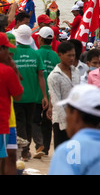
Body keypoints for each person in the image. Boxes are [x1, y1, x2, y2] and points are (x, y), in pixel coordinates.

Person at [12, 24, 48, 161]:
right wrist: (44, 95)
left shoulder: (13, 53)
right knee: (28, 123)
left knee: (20, 123)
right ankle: (26, 150)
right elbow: (41, 76)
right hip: (33, 96)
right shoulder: (36, 54)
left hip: (17, 96)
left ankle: (24, 151)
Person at [47, 41, 81, 149]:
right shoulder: (54, 76)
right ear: (60, 55)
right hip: (60, 122)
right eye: (69, 55)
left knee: (74, 156)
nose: (72, 58)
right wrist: (67, 124)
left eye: (73, 55)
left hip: (76, 120)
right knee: (61, 153)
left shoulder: (76, 72)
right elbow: (56, 102)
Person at [34, 26, 60, 158]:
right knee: (47, 122)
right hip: (52, 96)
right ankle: (45, 149)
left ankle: (39, 144)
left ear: (40, 39)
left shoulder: (36, 54)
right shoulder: (56, 56)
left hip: (36, 94)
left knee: (34, 121)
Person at [0, 32, 24, 175]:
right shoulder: (7, 71)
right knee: (5, 159)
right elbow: (18, 96)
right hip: (3, 123)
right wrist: (13, 69)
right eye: (6, 49)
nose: (9, 52)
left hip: (7, 122)